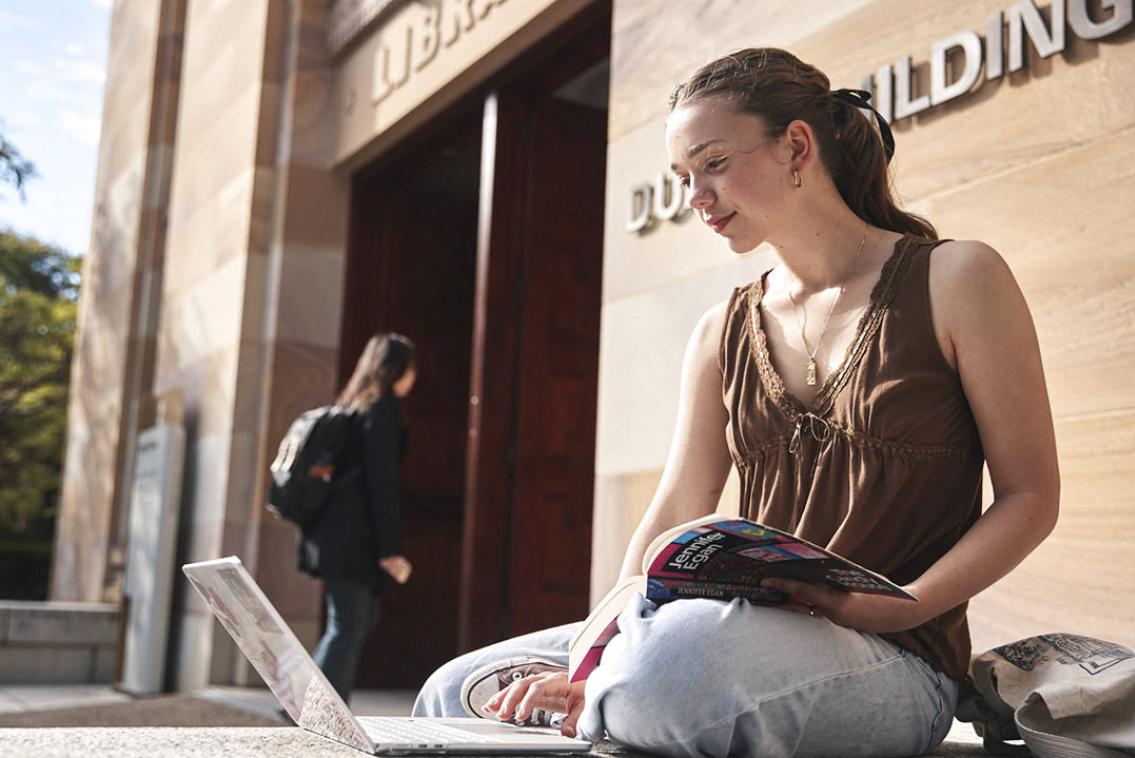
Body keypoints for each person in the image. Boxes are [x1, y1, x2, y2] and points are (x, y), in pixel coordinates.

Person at [414, 47, 1060, 757]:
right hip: (728, 633)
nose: (696, 195)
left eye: (714, 163)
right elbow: (675, 507)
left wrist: (903, 602)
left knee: (672, 669)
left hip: (896, 659)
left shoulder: (958, 277)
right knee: (460, 686)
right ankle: (618, 692)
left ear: (797, 147)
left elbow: (1029, 494)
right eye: (684, 177)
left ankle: (621, 696)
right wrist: (599, 649)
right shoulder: (720, 331)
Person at [298, 332, 417, 703]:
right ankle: (315, 707)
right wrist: (390, 548)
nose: (415, 376)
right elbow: (382, 483)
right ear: (397, 369)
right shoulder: (381, 411)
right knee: (349, 622)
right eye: (412, 368)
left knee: (356, 619)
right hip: (353, 540)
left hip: (336, 537)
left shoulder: (354, 407)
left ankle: (309, 701)